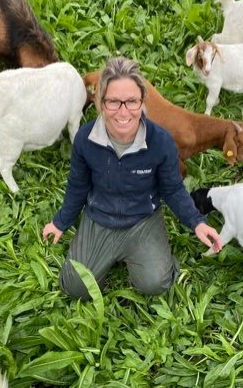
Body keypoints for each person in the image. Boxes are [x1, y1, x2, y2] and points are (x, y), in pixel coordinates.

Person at [43, 56, 222, 300]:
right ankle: (104, 254)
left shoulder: (160, 141)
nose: (124, 111)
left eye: (131, 101)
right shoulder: (86, 140)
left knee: (155, 284)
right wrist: (60, 222)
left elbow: (173, 189)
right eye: (114, 102)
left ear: (142, 103)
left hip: (142, 219)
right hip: (100, 218)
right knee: (76, 288)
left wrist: (196, 222)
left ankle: (148, 254)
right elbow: (77, 186)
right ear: (101, 103)